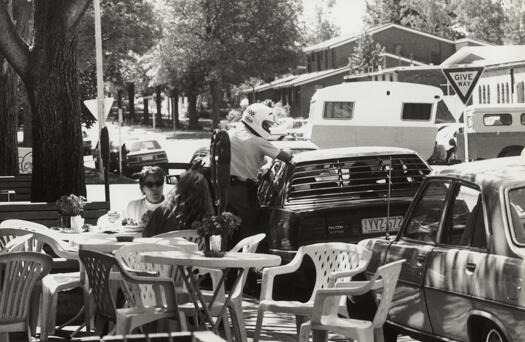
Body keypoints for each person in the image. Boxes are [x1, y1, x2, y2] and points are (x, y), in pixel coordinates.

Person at [227, 103, 291, 243]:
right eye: (266, 125)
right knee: (249, 231)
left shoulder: (230, 133)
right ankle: (245, 262)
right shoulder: (257, 140)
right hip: (243, 191)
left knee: (229, 230)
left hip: (225, 190)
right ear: (257, 121)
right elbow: (286, 157)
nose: (268, 128)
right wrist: (288, 150)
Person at [143, 169, 214, 237]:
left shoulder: (162, 213)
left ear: (178, 188)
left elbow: (146, 239)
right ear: (205, 193)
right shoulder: (207, 219)